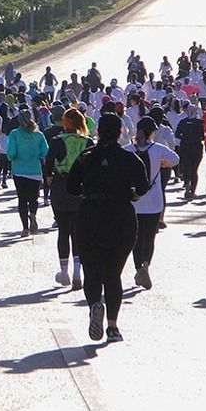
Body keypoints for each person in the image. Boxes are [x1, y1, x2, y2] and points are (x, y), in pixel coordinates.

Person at [68, 113, 149, 343]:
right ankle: (113, 327)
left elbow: (72, 188)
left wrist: (88, 189)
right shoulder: (130, 158)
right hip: (121, 217)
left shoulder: (86, 157)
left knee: (92, 271)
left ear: (98, 131)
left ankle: (95, 304)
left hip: (90, 216)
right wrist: (130, 193)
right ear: (120, 132)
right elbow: (142, 187)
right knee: (113, 274)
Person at [126, 117, 179, 290]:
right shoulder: (158, 149)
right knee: (149, 237)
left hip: (134, 202)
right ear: (151, 133)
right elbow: (175, 159)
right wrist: (163, 163)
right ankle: (146, 266)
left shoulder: (128, 150)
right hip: (154, 202)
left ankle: (138, 268)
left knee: (135, 238)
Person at [44, 109, 93, 288]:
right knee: (78, 232)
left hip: (61, 187)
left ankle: (64, 272)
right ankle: (77, 271)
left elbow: (48, 164)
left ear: (65, 122)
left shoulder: (57, 141)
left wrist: (50, 180)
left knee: (63, 230)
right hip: (81, 189)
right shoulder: (87, 142)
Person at [7, 109, 49, 236]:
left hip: (19, 170)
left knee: (22, 199)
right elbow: (45, 151)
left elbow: (11, 153)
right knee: (33, 198)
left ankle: (25, 228)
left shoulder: (14, 134)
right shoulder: (39, 135)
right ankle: (33, 214)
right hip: (34, 170)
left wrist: (13, 157)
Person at [175, 105, 205, 199]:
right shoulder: (199, 122)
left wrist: (185, 137)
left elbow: (177, 134)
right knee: (194, 169)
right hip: (196, 147)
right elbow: (202, 136)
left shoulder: (182, 122)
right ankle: (193, 191)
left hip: (185, 146)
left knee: (187, 167)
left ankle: (187, 185)